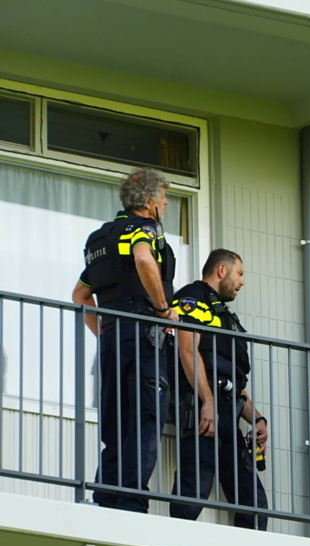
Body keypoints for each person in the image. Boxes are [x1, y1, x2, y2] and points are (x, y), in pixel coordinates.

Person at [71, 168, 178, 513]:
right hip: (145, 335)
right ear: (148, 202)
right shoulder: (142, 229)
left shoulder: (99, 238)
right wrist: (162, 310)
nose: (165, 204)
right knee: (145, 419)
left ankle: (106, 496)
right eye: (163, 198)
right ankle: (131, 501)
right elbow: (144, 259)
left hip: (113, 339)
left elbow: (80, 295)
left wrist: (103, 332)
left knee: (115, 424)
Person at [169, 249, 269, 530]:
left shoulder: (226, 316)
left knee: (254, 504)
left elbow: (235, 383)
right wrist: (207, 402)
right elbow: (187, 351)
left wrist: (257, 418)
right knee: (194, 486)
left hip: (226, 410)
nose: (242, 282)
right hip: (203, 406)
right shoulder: (192, 298)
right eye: (240, 273)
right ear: (222, 270)